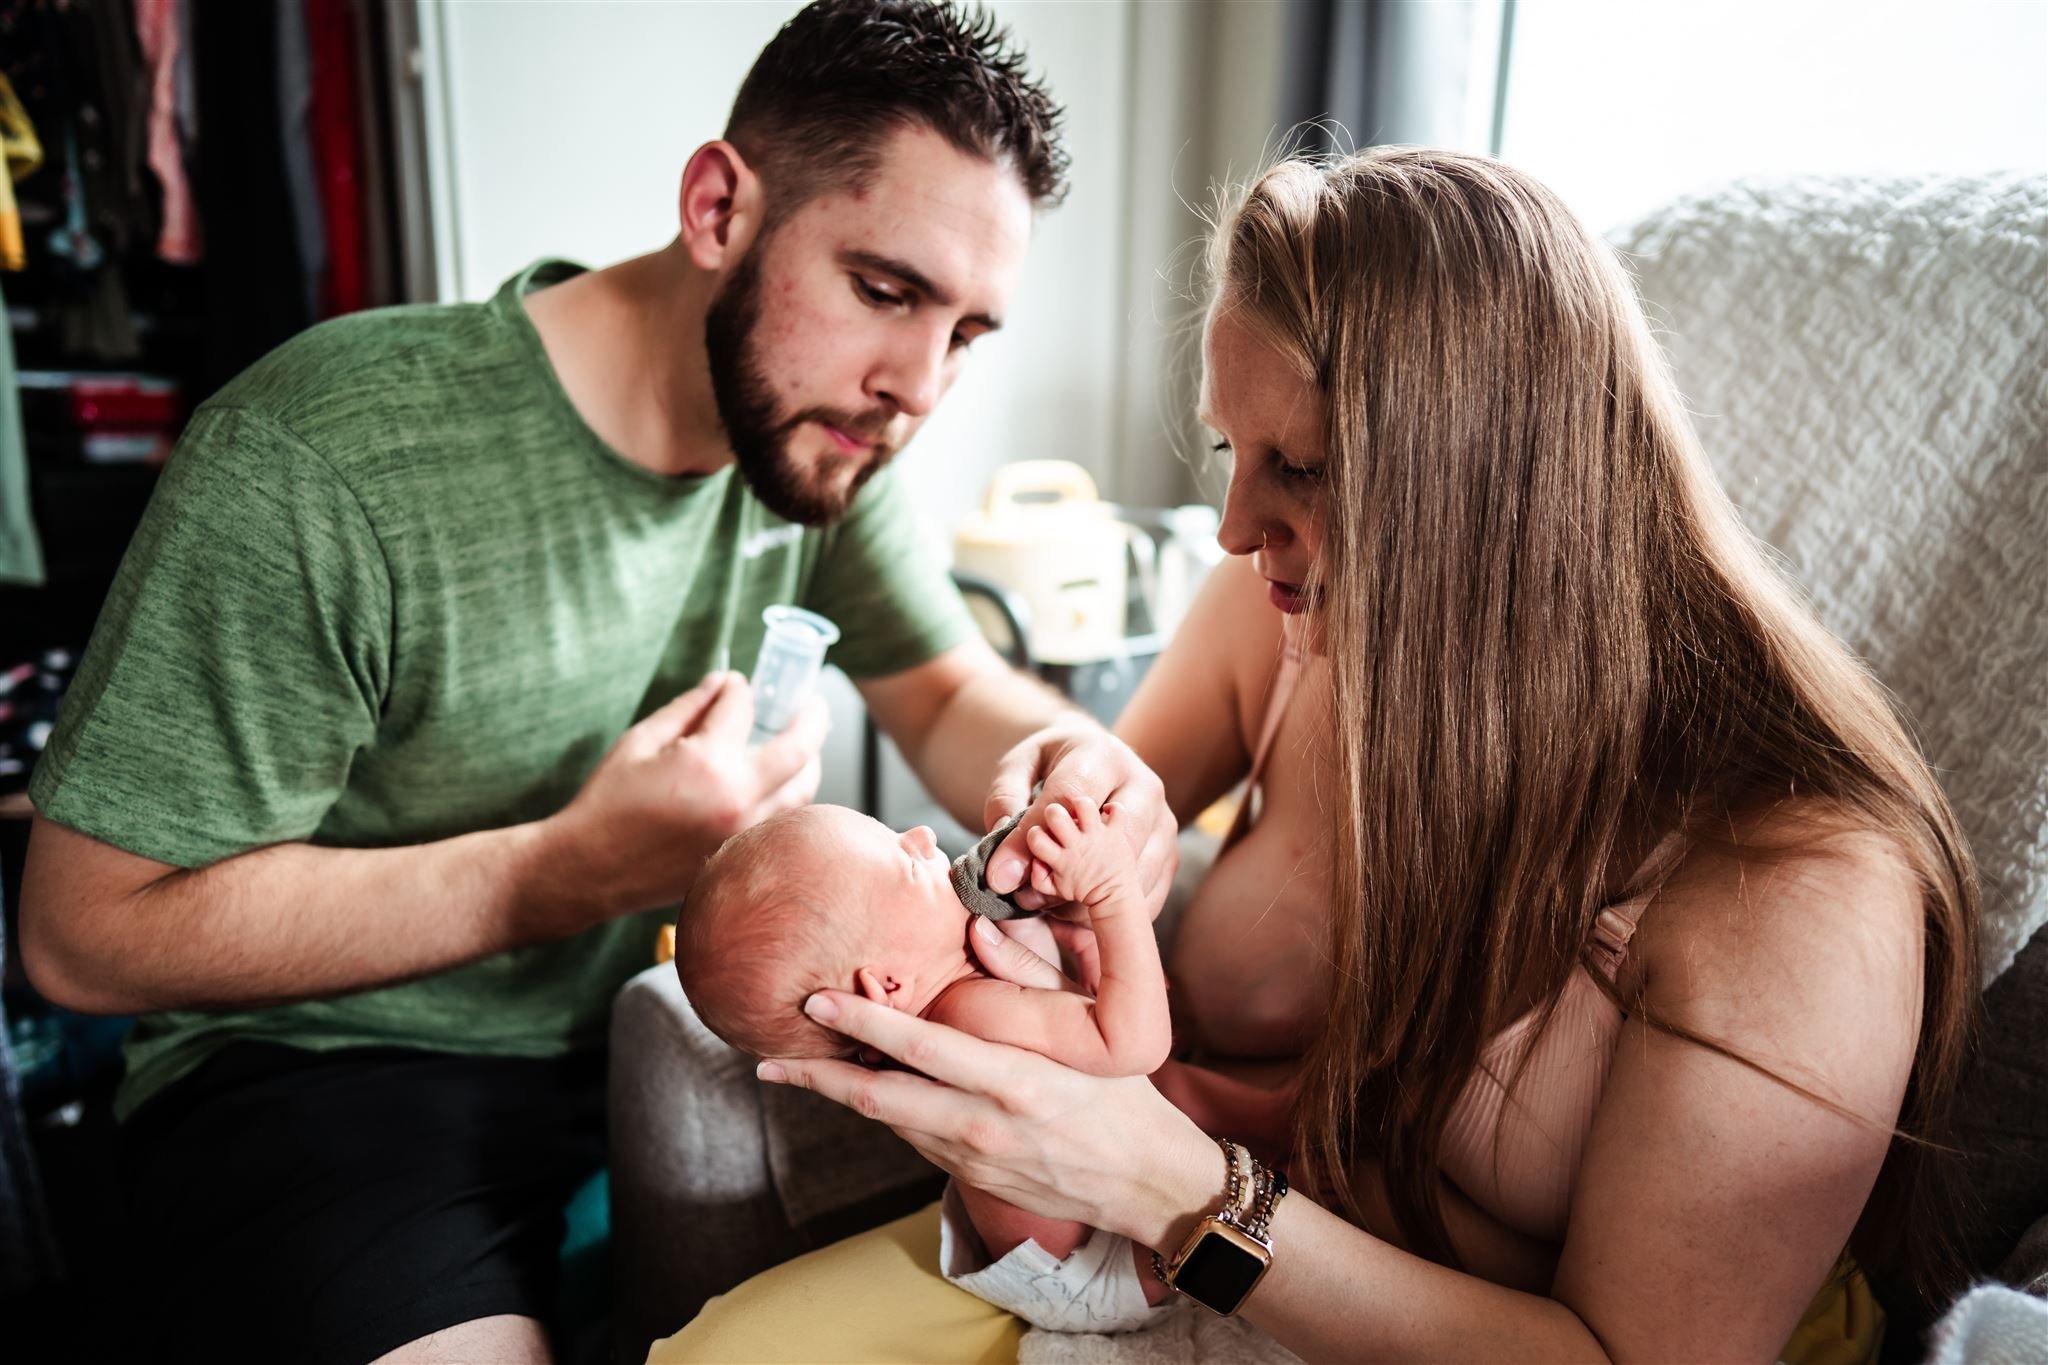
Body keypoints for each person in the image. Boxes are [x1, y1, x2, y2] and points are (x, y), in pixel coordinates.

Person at [654, 148, 1979, 1364]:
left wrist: (1175, 1193)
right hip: (1171, 1244)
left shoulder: (1800, 889)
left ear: (1492, 491)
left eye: (1295, 465)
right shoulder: (1290, 612)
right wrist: (1074, 792)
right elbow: (1106, 787)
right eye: (1233, 451)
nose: (1232, 526)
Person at [14, 4, 1176, 1363]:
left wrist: (1080, 763)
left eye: (968, 331)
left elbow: (949, 689)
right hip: (330, 1077)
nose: (918, 387)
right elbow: (79, 934)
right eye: (884, 290)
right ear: (716, 206)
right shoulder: (320, 456)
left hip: (663, 1034)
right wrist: (560, 871)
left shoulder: (826, 446)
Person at [678, 799, 1196, 1332]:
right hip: (1096, 1271)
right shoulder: (972, 1015)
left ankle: (1256, 1108)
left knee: (1179, 1096)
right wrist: (1112, 891)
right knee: (1221, 1136)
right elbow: (1136, 1048)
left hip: (1066, 1241)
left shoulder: (956, 998)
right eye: (906, 862)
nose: (924, 835)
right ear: (888, 987)